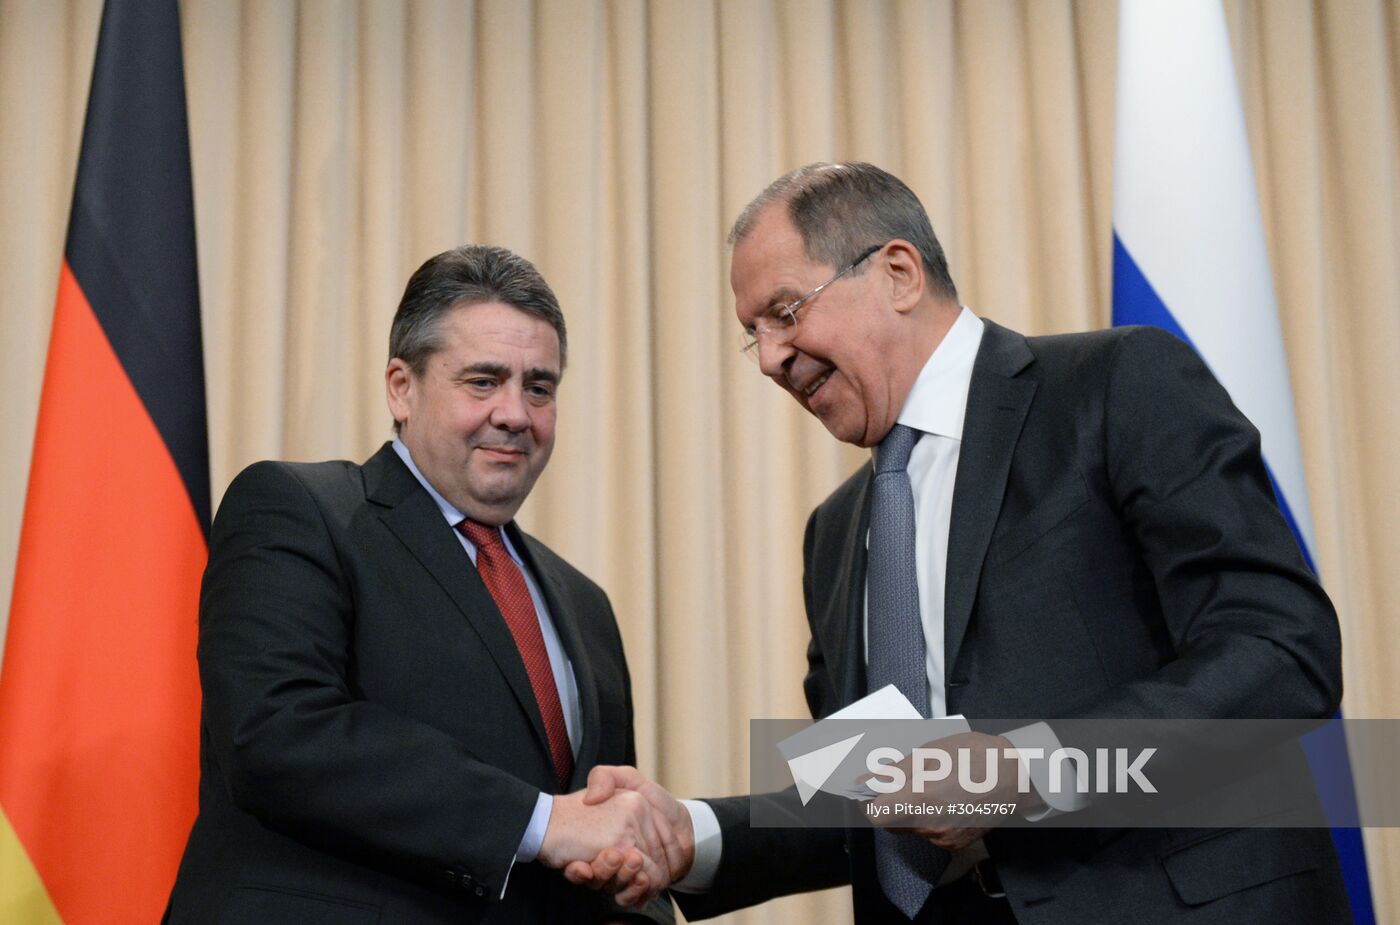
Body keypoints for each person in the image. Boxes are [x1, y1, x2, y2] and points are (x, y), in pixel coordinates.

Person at [570, 163, 1351, 923]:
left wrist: (1029, 769)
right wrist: (693, 837)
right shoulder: (836, 534)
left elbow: (1281, 649)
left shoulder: (1115, 384)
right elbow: (870, 794)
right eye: (754, 335)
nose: (771, 357)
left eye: (785, 311)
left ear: (899, 273)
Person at [164, 245, 680, 924]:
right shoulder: (296, 506)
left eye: (540, 386)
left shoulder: (584, 604)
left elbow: (592, 842)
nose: (515, 413)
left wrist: (631, 871)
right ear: (401, 388)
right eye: (482, 380)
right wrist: (539, 821)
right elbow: (275, 731)